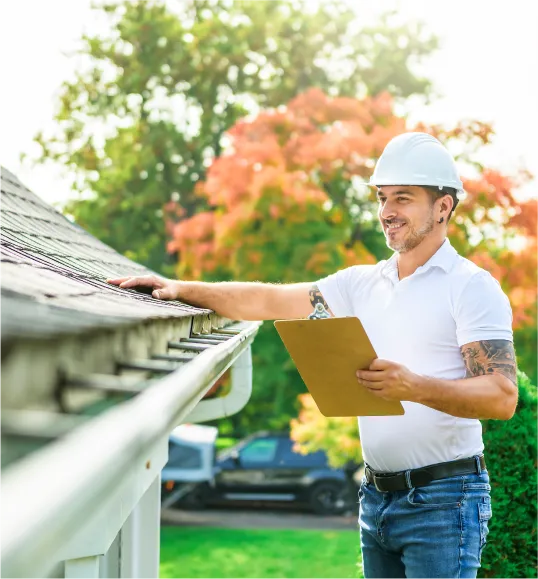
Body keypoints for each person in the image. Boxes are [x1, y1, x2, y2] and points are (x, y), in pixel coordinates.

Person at [107, 132, 517, 579]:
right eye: (382, 198)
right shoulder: (362, 284)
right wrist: (181, 289)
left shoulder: (470, 286)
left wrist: (413, 387)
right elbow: (268, 302)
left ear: (444, 207)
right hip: (376, 496)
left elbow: (500, 396)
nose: (387, 212)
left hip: (444, 500)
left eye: (403, 198)